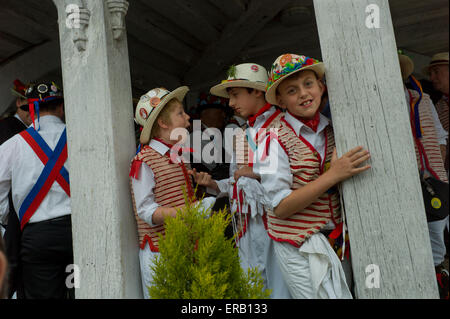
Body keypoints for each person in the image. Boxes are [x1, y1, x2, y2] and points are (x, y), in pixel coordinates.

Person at [255, 53, 371, 299]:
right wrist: (334, 174)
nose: (304, 94)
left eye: (308, 84)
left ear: (321, 86)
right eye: (292, 90)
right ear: (281, 101)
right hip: (297, 245)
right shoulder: (271, 138)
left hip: (335, 240)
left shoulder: (334, 128)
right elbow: (281, 207)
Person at [193, 63, 291, 298]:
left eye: (235, 95)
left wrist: (255, 171)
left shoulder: (284, 124)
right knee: (253, 287)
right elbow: (236, 177)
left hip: (278, 222)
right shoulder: (242, 132)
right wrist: (215, 185)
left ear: (256, 91)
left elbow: (295, 170)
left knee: (280, 287)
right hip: (245, 224)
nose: (230, 103)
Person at [129, 86, 215, 299]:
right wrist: (191, 211)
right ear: (163, 123)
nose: (188, 118)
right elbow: (146, 212)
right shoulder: (144, 161)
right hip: (161, 254)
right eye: (180, 114)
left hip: (183, 247)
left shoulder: (177, 155)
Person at [0, 81, 73, 299]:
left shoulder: (12, 146)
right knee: (82, 290)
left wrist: (12, 216)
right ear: (61, 108)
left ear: (31, 111)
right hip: (77, 234)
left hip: (37, 239)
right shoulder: (80, 137)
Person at [399, 54, 449, 299]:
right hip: (399, 188)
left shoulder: (422, 99)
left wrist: (433, 174)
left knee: (435, 246)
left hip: (432, 183)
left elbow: (440, 138)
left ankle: (437, 285)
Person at [0, 80, 32, 299]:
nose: (31, 113)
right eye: (27, 107)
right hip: (13, 212)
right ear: (19, 103)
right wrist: (6, 216)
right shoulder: (9, 130)